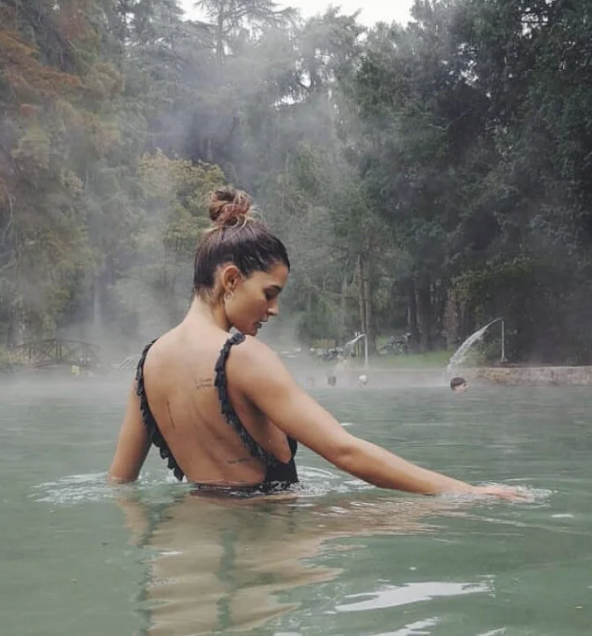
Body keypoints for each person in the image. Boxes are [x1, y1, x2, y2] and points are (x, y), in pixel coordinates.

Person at [108, 187, 527, 500]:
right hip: (269, 542)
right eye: (269, 294)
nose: (273, 311)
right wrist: (467, 493)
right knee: (409, 516)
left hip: (189, 545)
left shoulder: (147, 366)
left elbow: (119, 484)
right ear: (231, 280)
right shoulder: (243, 357)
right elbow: (345, 452)